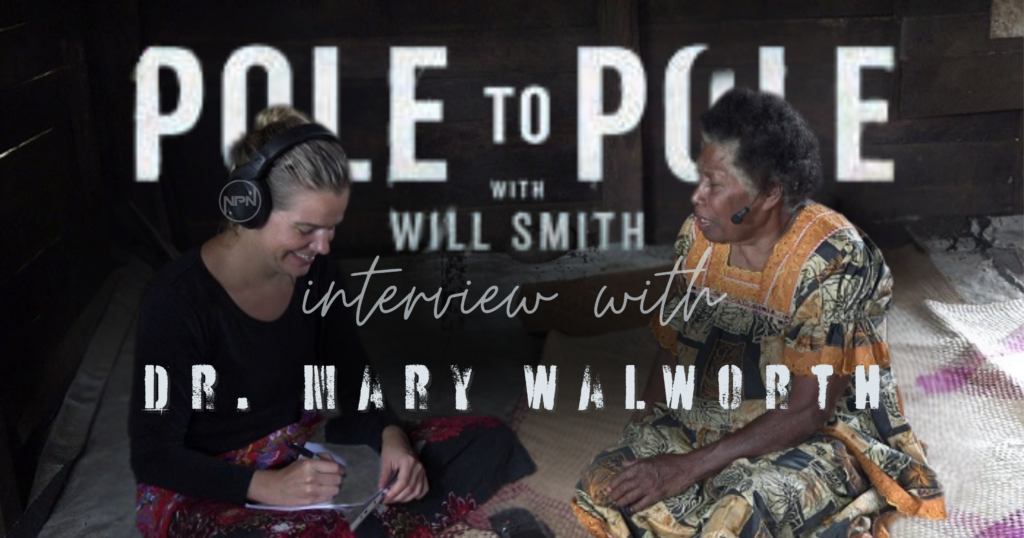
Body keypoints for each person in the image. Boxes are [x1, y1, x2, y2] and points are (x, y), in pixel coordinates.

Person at [130, 106, 534, 538]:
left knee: (487, 440)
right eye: (306, 229)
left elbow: (354, 381)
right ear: (250, 207)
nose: (322, 247)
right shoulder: (176, 301)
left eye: (331, 229)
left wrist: (390, 437)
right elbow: (155, 456)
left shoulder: (314, 272)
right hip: (211, 485)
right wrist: (267, 486)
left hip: (304, 457)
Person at [573, 88, 945, 538]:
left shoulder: (833, 258)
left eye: (715, 183)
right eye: (700, 179)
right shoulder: (698, 238)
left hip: (809, 431)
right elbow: (674, 347)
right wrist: (642, 437)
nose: (697, 197)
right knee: (603, 483)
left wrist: (684, 469)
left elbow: (810, 407)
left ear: (769, 192)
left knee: (741, 509)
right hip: (706, 414)